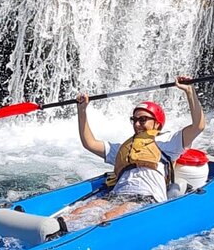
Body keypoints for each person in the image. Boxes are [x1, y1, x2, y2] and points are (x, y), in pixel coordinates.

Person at [68, 76, 205, 222]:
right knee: (77, 213)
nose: (137, 124)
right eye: (134, 120)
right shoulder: (124, 147)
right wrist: (82, 111)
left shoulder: (168, 142)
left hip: (147, 199)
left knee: (108, 217)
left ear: (157, 124)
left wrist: (190, 91)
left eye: (143, 120)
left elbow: (198, 126)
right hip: (116, 196)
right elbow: (89, 143)